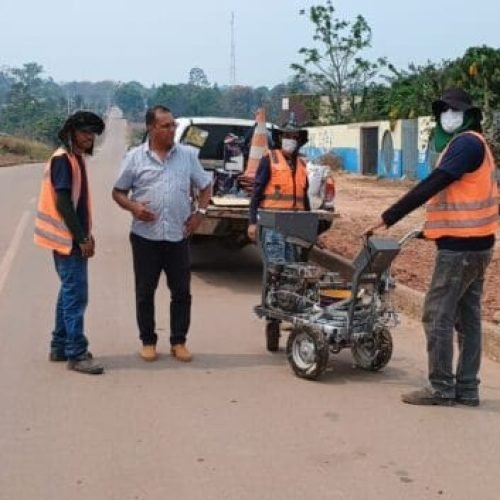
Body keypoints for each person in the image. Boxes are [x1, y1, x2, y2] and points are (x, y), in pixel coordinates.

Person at [365, 88, 498, 407]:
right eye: (444, 110)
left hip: (461, 250)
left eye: (454, 110)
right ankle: (467, 389)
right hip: (478, 243)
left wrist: (389, 217)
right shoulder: (476, 145)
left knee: (436, 314)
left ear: (468, 114)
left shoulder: (466, 143)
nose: (447, 115)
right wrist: (432, 229)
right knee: (467, 318)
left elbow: (433, 184)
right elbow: (459, 198)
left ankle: (440, 387)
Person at [112, 105, 212, 362]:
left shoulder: (187, 155)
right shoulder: (135, 157)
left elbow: (205, 185)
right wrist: (134, 207)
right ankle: (148, 341)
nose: (172, 130)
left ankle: (178, 341)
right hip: (146, 237)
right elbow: (118, 192)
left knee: (181, 292)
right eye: (166, 126)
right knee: (145, 291)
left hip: (178, 237)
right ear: (151, 128)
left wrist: (200, 214)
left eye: (173, 125)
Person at [34, 111, 105, 375]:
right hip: (67, 239)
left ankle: (59, 346)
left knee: (68, 292)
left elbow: (77, 202)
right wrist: (81, 237)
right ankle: (76, 353)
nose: (89, 137)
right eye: (85, 132)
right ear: (72, 132)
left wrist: (87, 232)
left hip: (70, 236)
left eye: (93, 133)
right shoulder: (63, 160)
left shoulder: (75, 159)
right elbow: (64, 203)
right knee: (76, 295)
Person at [247, 120, 311, 263]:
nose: (291, 140)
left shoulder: (302, 163)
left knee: (292, 266)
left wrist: (309, 224)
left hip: (294, 223)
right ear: (280, 138)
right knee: (276, 266)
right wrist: (252, 222)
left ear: (299, 140)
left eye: (295, 137)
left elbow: (304, 197)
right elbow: (256, 192)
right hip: (273, 223)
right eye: (288, 136)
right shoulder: (269, 159)